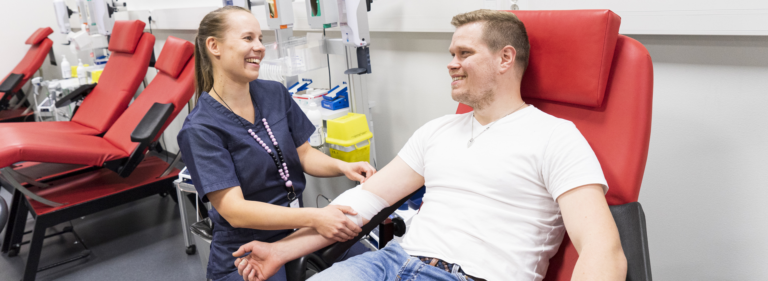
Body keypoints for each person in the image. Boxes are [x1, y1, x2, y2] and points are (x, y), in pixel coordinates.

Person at [233, 9, 627, 281]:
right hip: (390, 262)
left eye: (464, 54)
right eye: (451, 54)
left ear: (506, 58)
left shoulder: (556, 137)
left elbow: (601, 249)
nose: (451, 63)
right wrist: (282, 251)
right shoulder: (437, 131)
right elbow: (363, 203)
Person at [177, 6, 375, 281]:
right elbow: (235, 211)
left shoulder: (274, 93)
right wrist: (315, 217)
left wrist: (344, 166)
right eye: (248, 38)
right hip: (247, 252)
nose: (259, 47)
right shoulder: (201, 128)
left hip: (301, 232)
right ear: (214, 46)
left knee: (371, 268)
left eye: (260, 38)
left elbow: (303, 154)